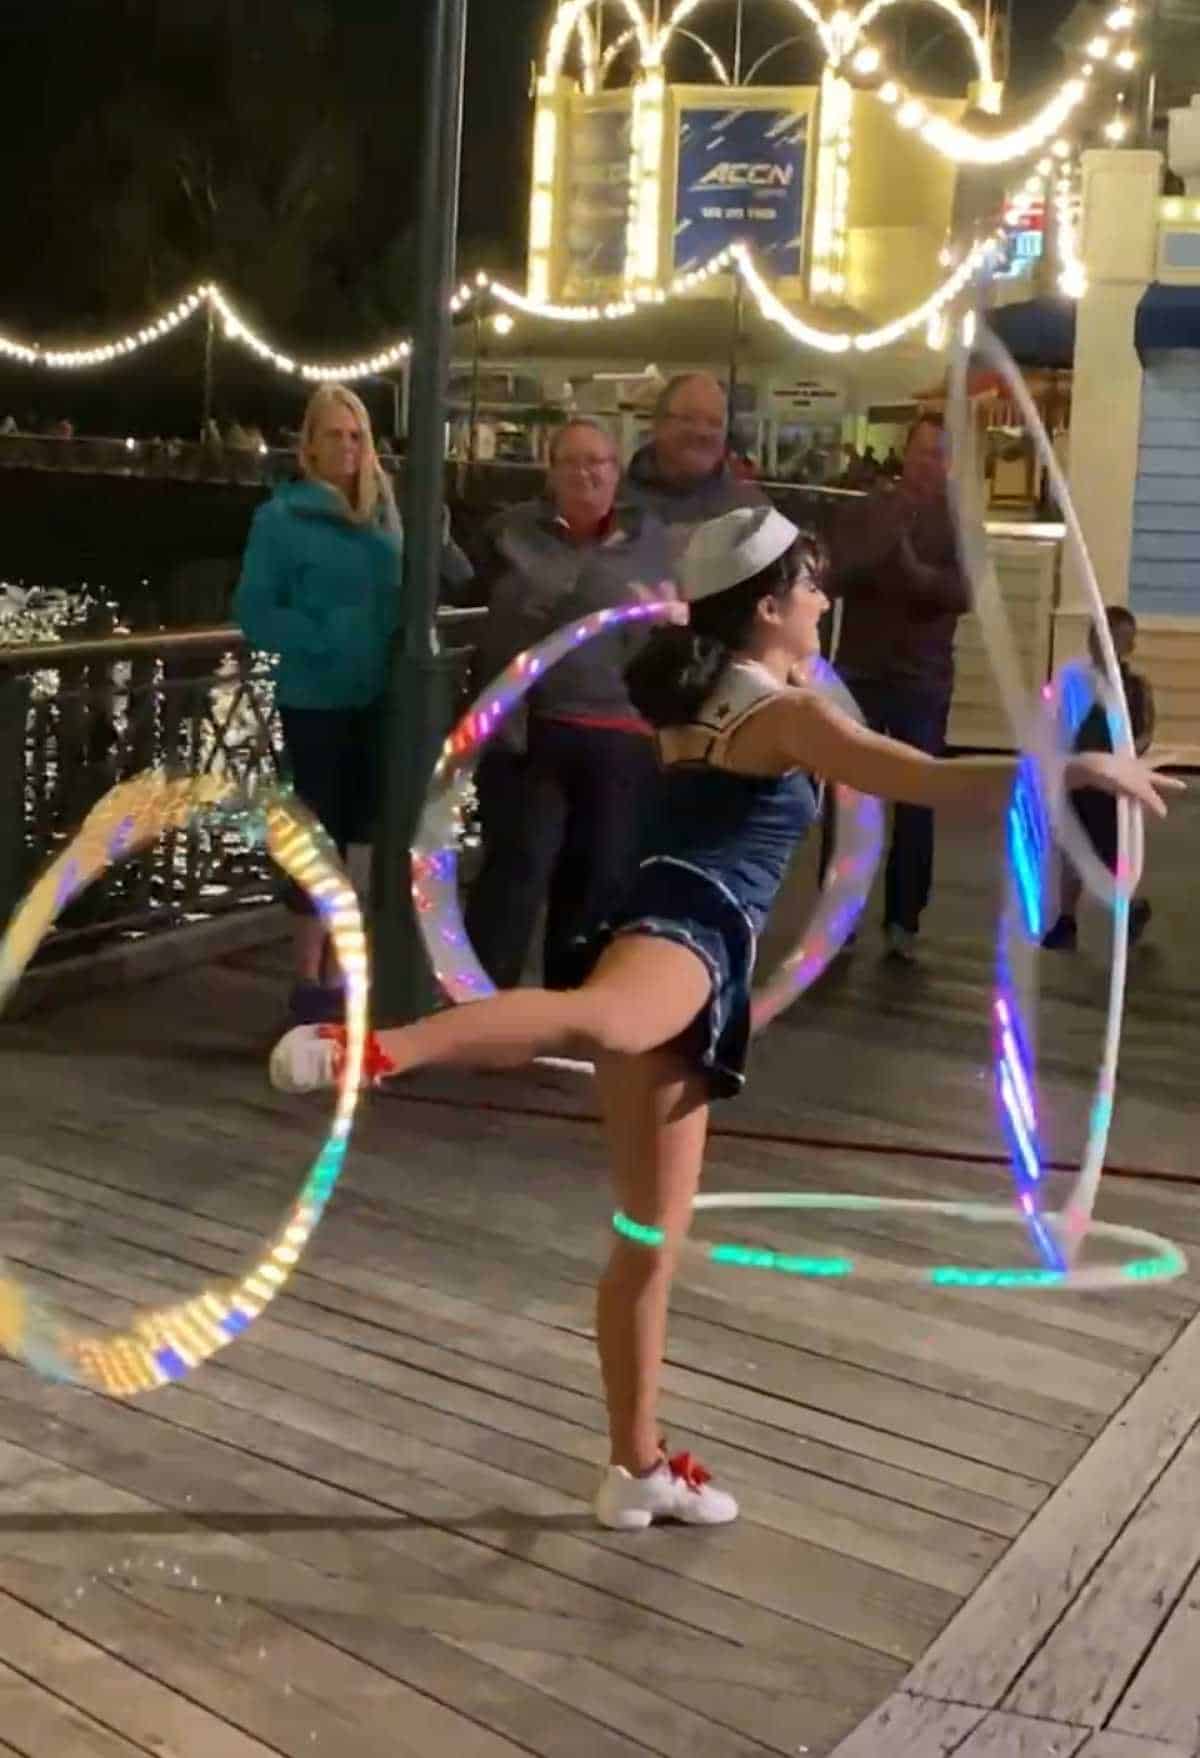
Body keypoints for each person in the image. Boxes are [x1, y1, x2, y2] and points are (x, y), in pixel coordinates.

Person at [267, 506, 1178, 1532]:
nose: (828, 602)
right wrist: (1069, 772)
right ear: (775, 605)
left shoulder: (716, 696)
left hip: (679, 929)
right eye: (815, 586)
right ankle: (374, 1049)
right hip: (689, 932)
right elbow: (916, 778)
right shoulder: (780, 716)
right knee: (601, 1020)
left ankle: (635, 1467)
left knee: (648, 1237)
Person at [464, 418, 671, 987]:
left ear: (617, 472)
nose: (586, 473)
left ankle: (572, 1003)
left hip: (620, 732)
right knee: (516, 872)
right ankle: (481, 1003)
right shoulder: (508, 534)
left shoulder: (651, 540)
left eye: (599, 462)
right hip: (531, 730)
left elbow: (678, 627)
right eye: (572, 461)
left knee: (600, 879)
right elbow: (462, 591)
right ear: (550, 472)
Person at [235, 382, 403, 1026]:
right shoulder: (281, 519)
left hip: (380, 699)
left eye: (356, 434)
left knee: (361, 839)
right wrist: (324, 639)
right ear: (308, 445)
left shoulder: (386, 513)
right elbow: (253, 611)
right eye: (333, 434)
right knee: (316, 838)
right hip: (315, 700)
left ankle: (342, 968)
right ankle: (307, 975)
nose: (347, 446)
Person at [827, 413, 970, 960]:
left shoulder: (960, 525)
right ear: (904, 454)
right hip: (860, 672)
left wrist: (906, 561)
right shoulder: (867, 508)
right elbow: (834, 574)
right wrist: (877, 545)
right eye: (921, 451)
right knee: (849, 798)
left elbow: (961, 593)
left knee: (916, 797)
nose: (928, 463)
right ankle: (837, 917)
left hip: (921, 682)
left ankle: (904, 920)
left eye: (939, 453)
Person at [1043, 606, 1156, 952]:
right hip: (1078, 777)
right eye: (1098, 636)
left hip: (1111, 782)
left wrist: (1123, 759)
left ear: (1128, 646)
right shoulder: (1077, 684)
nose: (1103, 645)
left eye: (1114, 639)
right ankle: (1066, 920)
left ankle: (1129, 908)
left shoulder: (1134, 689)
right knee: (1072, 845)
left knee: (1110, 851)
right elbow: (1058, 721)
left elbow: (1145, 731)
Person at [623, 373, 767, 544]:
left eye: (714, 423)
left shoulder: (753, 513)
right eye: (687, 419)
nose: (702, 432)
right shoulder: (608, 504)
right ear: (658, 424)